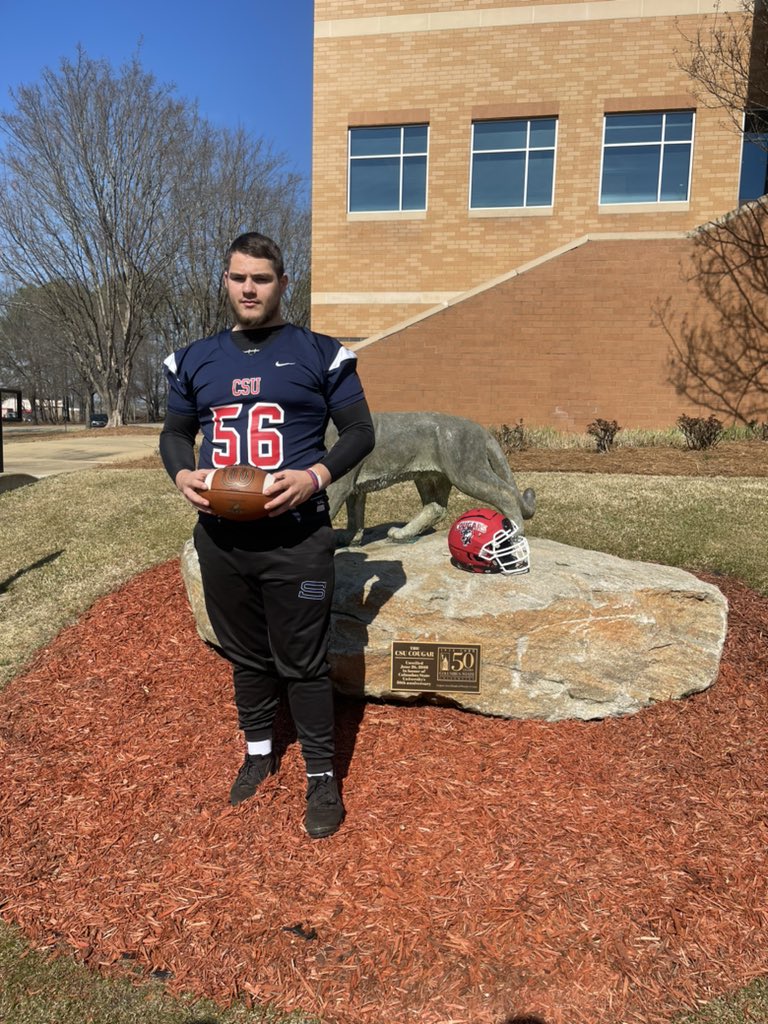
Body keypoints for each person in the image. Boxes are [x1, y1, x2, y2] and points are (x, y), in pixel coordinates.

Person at [159, 231, 375, 839]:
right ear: (225, 282)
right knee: (245, 652)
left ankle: (321, 775)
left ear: (283, 282)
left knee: (303, 661)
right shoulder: (196, 358)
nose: (248, 288)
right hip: (223, 537)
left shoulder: (320, 352)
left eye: (261, 278)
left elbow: (360, 431)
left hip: (297, 536)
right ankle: (258, 750)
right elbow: (174, 434)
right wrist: (182, 473)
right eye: (238, 277)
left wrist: (314, 475)